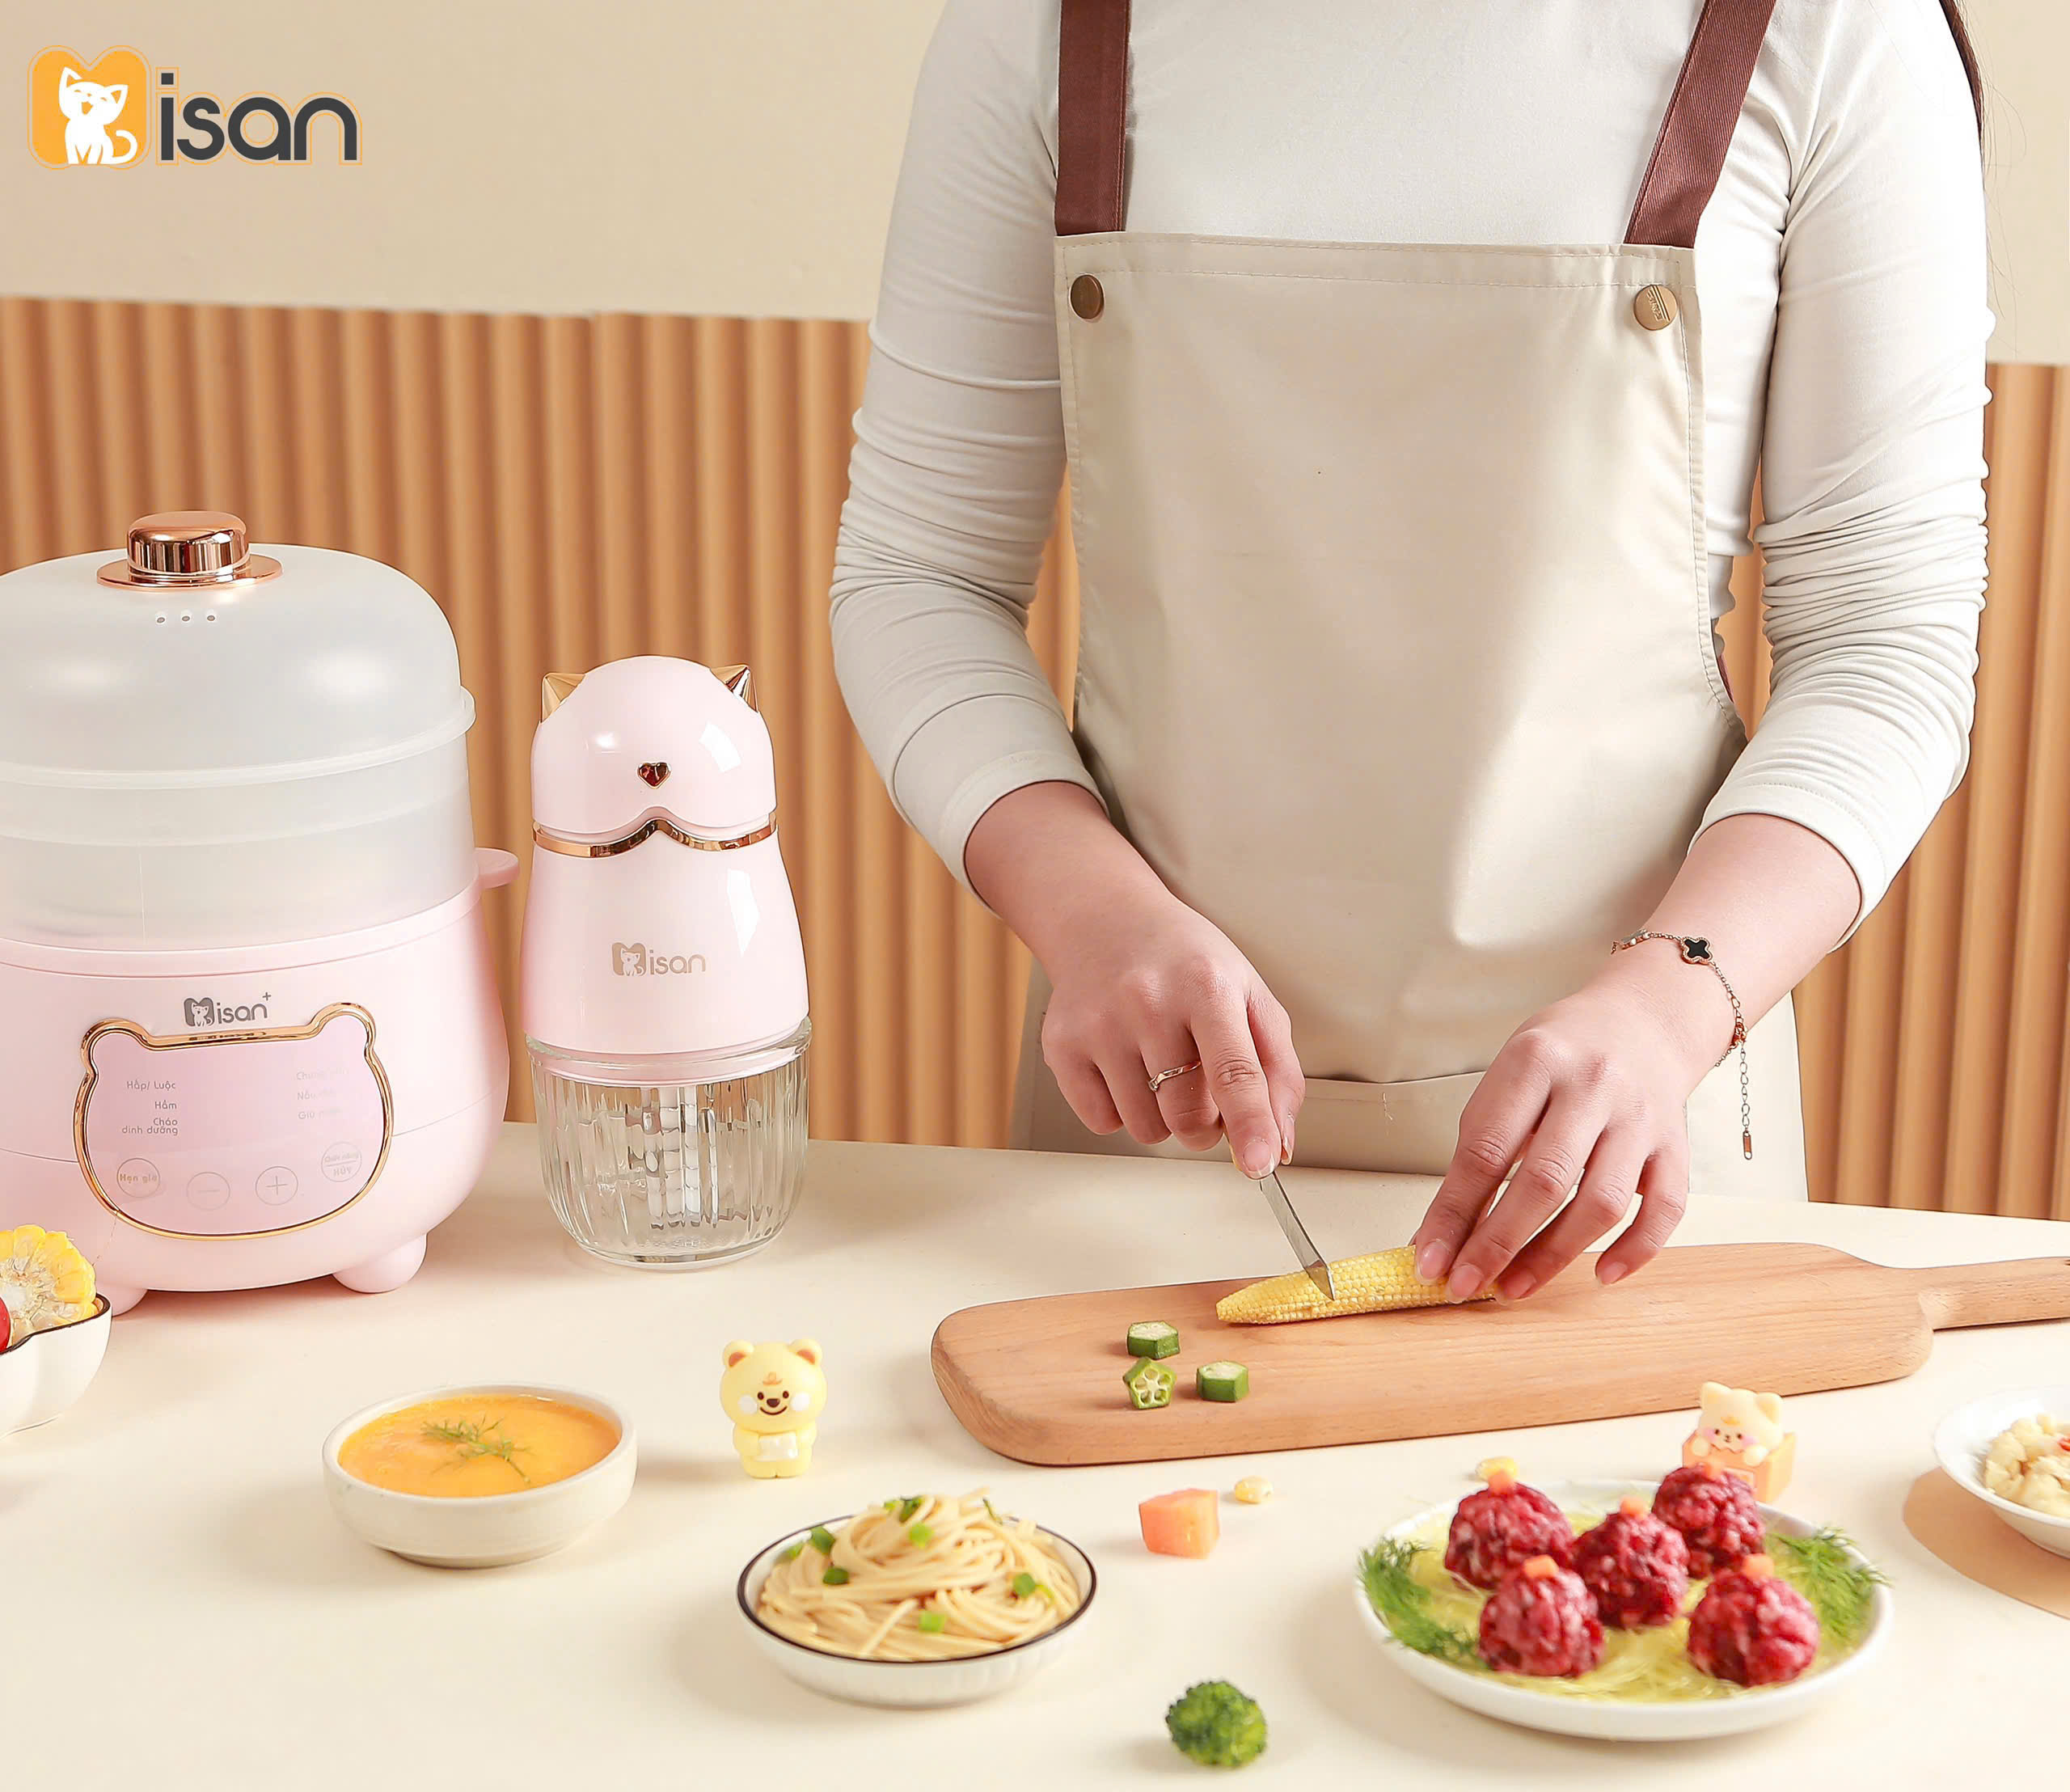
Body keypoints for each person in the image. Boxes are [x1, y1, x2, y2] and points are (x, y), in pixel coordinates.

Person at [832, 0, 1988, 1301]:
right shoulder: (1039, 24)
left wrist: (1669, 1008)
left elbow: (1886, 639)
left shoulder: (1837, 30)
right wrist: (1092, 913)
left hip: (1628, 1145)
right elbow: (920, 577)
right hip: (1154, 1126)